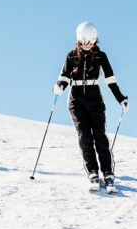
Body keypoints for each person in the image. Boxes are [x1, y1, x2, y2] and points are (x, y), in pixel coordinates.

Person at [53, 22, 129, 192]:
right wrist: (59, 87)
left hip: (95, 98)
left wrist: (121, 99)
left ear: (95, 40)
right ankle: (93, 172)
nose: (88, 44)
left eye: (91, 40)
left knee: (100, 136)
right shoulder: (72, 55)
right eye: (85, 40)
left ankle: (108, 172)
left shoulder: (101, 56)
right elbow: (64, 76)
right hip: (76, 100)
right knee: (84, 136)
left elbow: (110, 80)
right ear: (79, 39)